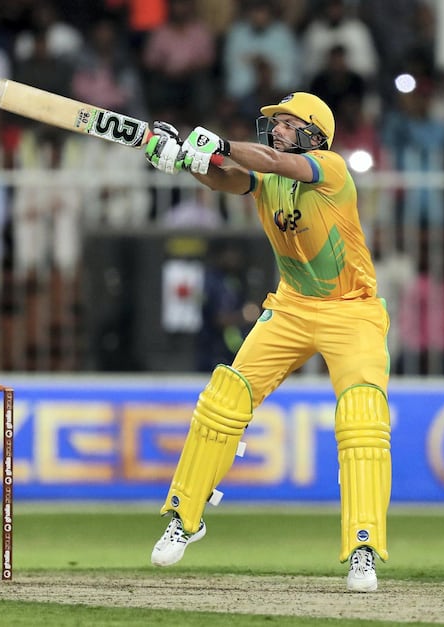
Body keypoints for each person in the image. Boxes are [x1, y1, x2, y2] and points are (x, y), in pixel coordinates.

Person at [144, 92, 391, 592]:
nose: (275, 129)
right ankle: (185, 518)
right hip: (293, 306)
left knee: (362, 417)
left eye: (285, 123)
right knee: (226, 396)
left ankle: (362, 547)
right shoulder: (268, 174)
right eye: (273, 123)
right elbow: (229, 178)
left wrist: (216, 144)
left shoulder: (330, 167)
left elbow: (274, 160)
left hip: (353, 309)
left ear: (313, 133)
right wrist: (184, 160)